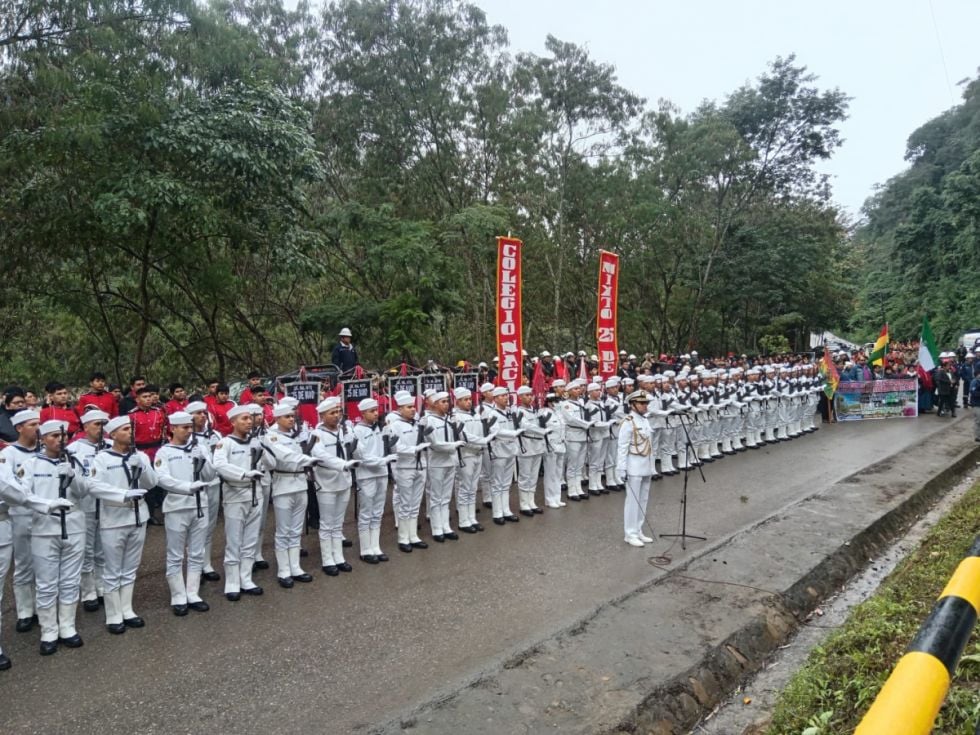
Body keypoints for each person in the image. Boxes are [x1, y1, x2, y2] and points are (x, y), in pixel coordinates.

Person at [17, 420, 87, 654]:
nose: (59, 440)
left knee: (70, 579)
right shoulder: (31, 464)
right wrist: (48, 504)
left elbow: (84, 490)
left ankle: (67, 626)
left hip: (74, 526)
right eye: (54, 436)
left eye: (62, 436)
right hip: (45, 528)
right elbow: (24, 496)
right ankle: (48, 630)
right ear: (43, 438)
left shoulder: (72, 461)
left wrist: (73, 476)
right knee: (47, 583)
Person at [88, 416, 157, 634]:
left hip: (138, 516)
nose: (130, 432)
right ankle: (113, 614)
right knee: (112, 569)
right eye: (126, 429)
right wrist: (124, 494)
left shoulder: (140, 456)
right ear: (113, 434)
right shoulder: (102, 458)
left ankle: (127, 609)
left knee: (130, 568)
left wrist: (142, 468)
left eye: (131, 429)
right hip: (114, 518)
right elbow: (94, 486)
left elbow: (152, 483)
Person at [154, 412, 215, 615]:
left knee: (197, 552)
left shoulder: (199, 448)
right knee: (175, 554)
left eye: (190, 427)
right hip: (177, 507)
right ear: (173, 428)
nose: (189, 431)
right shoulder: (165, 452)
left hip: (200, 505)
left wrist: (202, 461)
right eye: (184, 427)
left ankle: (193, 592)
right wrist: (188, 487)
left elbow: (210, 475)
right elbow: (162, 479)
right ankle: (178, 595)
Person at [211, 404, 270, 601]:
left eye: (250, 418)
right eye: (244, 419)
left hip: (255, 494)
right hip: (235, 496)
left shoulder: (255, 442)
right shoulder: (225, 443)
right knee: (234, 540)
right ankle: (232, 582)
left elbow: (268, 463)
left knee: (251, 539)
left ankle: (246, 578)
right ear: (233, 421)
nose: (249, 422)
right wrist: (244, 474)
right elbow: (219, 465)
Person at [261, 404, 317, 588]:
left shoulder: (296, 435)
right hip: (283, 484)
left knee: (296, 529)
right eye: (286, 417)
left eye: (292, 416)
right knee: (283, 530)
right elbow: (283, 455)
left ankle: (295, 567)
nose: (291, 419)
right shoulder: (271, 436)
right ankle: (283, 570)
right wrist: (307, 460)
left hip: (300, 482)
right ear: (277, 418)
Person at [1, 408, 41, 633]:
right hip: (21, 516)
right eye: (32, 424)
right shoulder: (9, 454)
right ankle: (26, 610)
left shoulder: (45, 450)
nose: (37, 428)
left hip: (43, 514)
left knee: (43, 563)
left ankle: (43, 604)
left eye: (39, 423)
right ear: (19, 428)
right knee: (24, 564)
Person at [66, 409, 110, 612]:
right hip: (86, 504)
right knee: (87, 549)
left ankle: (102, 585)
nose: (101, 429)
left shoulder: (110, 446)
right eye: (96, 424)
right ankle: (88, 590)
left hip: (107, 504)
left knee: (103, 549)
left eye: (103, 424)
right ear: (85, 427)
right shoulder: (74, 449)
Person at [310, 397, 356, 575]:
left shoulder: (344, 430)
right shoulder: (316, 434)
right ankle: (327, 559)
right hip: (327, 482)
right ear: (322, 415)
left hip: (344, 481)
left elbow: (351, 448)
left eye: (338, 412)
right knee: (327, 523)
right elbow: (321, 455)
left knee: (338, 523)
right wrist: (342, 464)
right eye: (332, 413)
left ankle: (339, 557)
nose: (336, 416)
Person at [352, 398, 396, 562]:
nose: (376, 413)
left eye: (376, 410)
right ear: (363, 413)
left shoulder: (379, 428)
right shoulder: (357, 430)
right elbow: (361, 455)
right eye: (372, 411)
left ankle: (375, 546)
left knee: (378, 511)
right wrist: (383, 461)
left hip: (381, 473)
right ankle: (365, 549)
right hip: (367, 474)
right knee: (366, 512)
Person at [186, 401, 222, 582]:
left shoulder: (214, 434)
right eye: (198, 413)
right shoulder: (186, 436)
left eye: (204, 412)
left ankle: (206, 563)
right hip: (194, 486)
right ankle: (195, 566)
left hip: (213, 482)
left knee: (209, 525)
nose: (202, 415)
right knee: (195, 527)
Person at [422, 391, 464, 540]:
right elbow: (435, 444)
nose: (446, 404)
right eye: (443, 402)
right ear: (434, 404)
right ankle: (436, 528)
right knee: (436, 496)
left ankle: (446, 526)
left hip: (450, 461)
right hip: (437, 462)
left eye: (447, 401)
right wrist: (454, 445)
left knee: (446, 497)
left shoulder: (449, 419)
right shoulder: (428, 420)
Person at [617, 390, 656, 547]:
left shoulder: (645, 420)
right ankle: (630, 533)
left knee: (643, 500)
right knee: (633, 501)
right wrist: (621, 468)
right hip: (633, 466)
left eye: (646, 403)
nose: (645, 406)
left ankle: (638, 529)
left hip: (646, 465)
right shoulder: (628, 422)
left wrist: (652, 466)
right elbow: (622, 447)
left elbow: (649, 445)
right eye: (641, 403)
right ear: (632, 405)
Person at [452, 387, 492, 531]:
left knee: (473, 488)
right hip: (466, 454)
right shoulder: (455, 417)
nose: (469, 402)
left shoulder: (474, 415)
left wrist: (483, 441)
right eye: (465, 400)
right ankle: (463, 520)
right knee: (465, 488)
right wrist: (484, 440)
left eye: (469, 399)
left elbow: (480, 432)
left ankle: (471, 518)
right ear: (457, 401)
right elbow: (465, 436)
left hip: (477, 453)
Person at [128, 385, 168, 525]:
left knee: (160, 482)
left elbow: (164, 431)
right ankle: (148, 514)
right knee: (145, 484)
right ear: (137, 399)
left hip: (157, 449)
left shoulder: (159, 412)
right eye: (144, 397)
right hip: (142, 452)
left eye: (150, 396)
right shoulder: (132, 415)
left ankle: (162, 511)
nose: (148, 399)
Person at [485, 387, 525, 524]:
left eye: (506, 395)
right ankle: (497, 513)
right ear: (495, 398)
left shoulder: (509, 412)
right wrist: (514, 433)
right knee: (497, 483)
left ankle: (506, 510)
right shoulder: (492, 414)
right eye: (501, 396)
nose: (505, 398)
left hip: (510, 449)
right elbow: (495, 431)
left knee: (506, 483)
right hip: (499, 450)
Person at [514, 386, 547, 516]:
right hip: (526, 445)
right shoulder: (518, 411)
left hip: (537, 445)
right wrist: (542, 430)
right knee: (525, 476)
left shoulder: (535, 410)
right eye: (526, 395)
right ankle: (523, 504)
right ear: (520, 397)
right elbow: (526, 425)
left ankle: (531, 502)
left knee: (533, 477)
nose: (529, 397)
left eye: (530, 395)